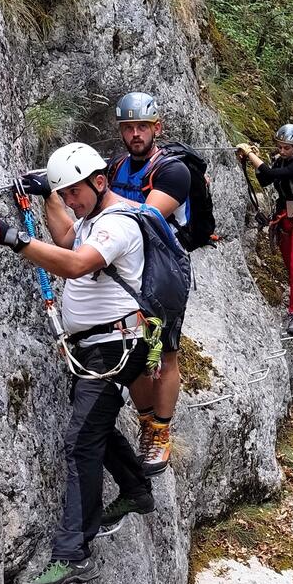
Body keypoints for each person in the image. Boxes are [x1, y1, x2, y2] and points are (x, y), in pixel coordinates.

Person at [0, 143, 155, 584]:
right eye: (65, 195)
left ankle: (72, 553)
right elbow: (69, 238)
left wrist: (13, 238)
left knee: (79, 443)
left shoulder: (120, 223)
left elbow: (76, 263)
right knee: (95, 429)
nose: (70, 202)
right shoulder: (93, 218)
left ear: (98, 182)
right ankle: (135, 488)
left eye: (74, 192)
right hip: (98, 347)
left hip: (114, 347)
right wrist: (47, 196)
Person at [106, 93, 191, 474]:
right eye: (128, 128)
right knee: (134, 357)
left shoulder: (174, 171)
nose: (135, 134)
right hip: (124, 273)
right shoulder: (114, 169)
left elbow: (146, 215)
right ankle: (146, 423)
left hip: (162, 270)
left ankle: (161, 430)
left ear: (157, 128)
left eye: (142, 127)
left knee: (166, 353)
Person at [236, 126, 293, 335]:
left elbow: (272, 173)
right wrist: (252, 162)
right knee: (290, 266)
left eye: (287, 148)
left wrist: (251, 154)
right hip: (284, 217)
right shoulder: (281, 160)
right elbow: (266, 179)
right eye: (280, 147)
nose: (282, 151)